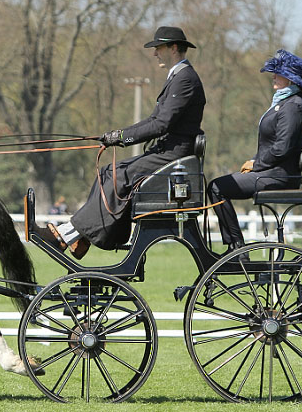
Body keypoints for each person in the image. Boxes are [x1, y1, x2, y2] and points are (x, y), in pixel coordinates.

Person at [34, 25, 206, 259]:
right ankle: (80, 238)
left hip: (172, 155)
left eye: (159, 48)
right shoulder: (179, 77)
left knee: (116, 175)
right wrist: (117, 135)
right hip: (166, 151)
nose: (155, 53)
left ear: (174, 48)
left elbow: (161, 124)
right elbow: (154, 120)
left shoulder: (185, 79)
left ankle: (66, 235)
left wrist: (122, 138)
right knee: (108, 172)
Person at [208, 49, 302, 252]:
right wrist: (254, 161)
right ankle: (235, 246)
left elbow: (281, 148)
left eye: (278, 73)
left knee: (217, 188)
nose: (273, 76)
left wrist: (256, 164)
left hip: (279, 175)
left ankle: (236, 248)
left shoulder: (293, 107)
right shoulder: (285, 103)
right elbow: (270, 145)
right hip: (270, 171)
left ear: (290, 79)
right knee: (217, 186)